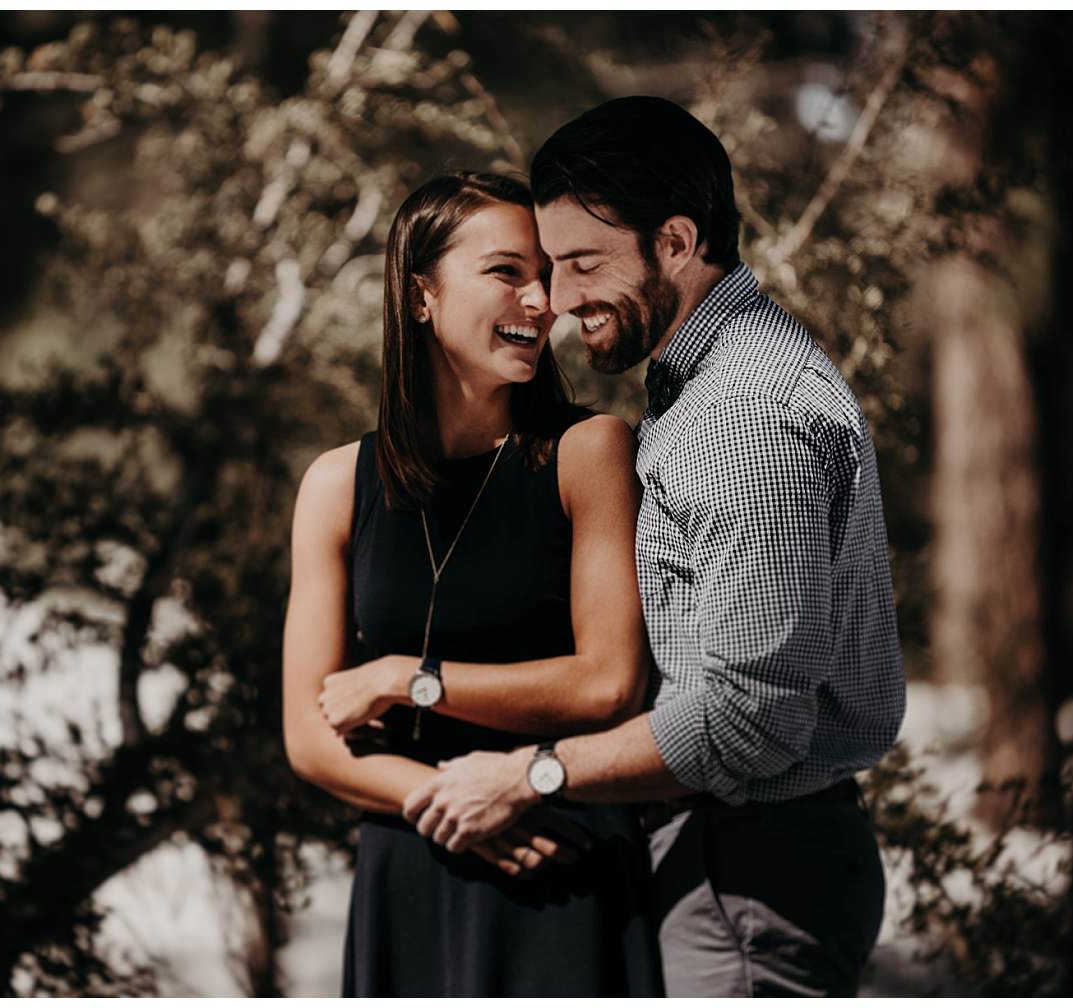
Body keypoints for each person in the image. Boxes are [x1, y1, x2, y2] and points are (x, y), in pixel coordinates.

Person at [402, 97, 907, 997]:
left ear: (676, 242)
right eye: (551, 267)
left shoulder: (743, 416)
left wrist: (533, 774)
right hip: (738, 866)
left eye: (583, 263)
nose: (556, 302)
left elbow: (750, 715)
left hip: (746, 875)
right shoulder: (718, 383)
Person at [281, 171, 662, 996]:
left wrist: (407, 681)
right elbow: (309, 737)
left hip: (560, 860)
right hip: (412, 861)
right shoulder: (334, 485)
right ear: (421, 295)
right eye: (507, 271)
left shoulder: (589, 453)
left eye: (547, 275)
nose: (542, 301)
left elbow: (608, 684)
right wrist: (449, 803)